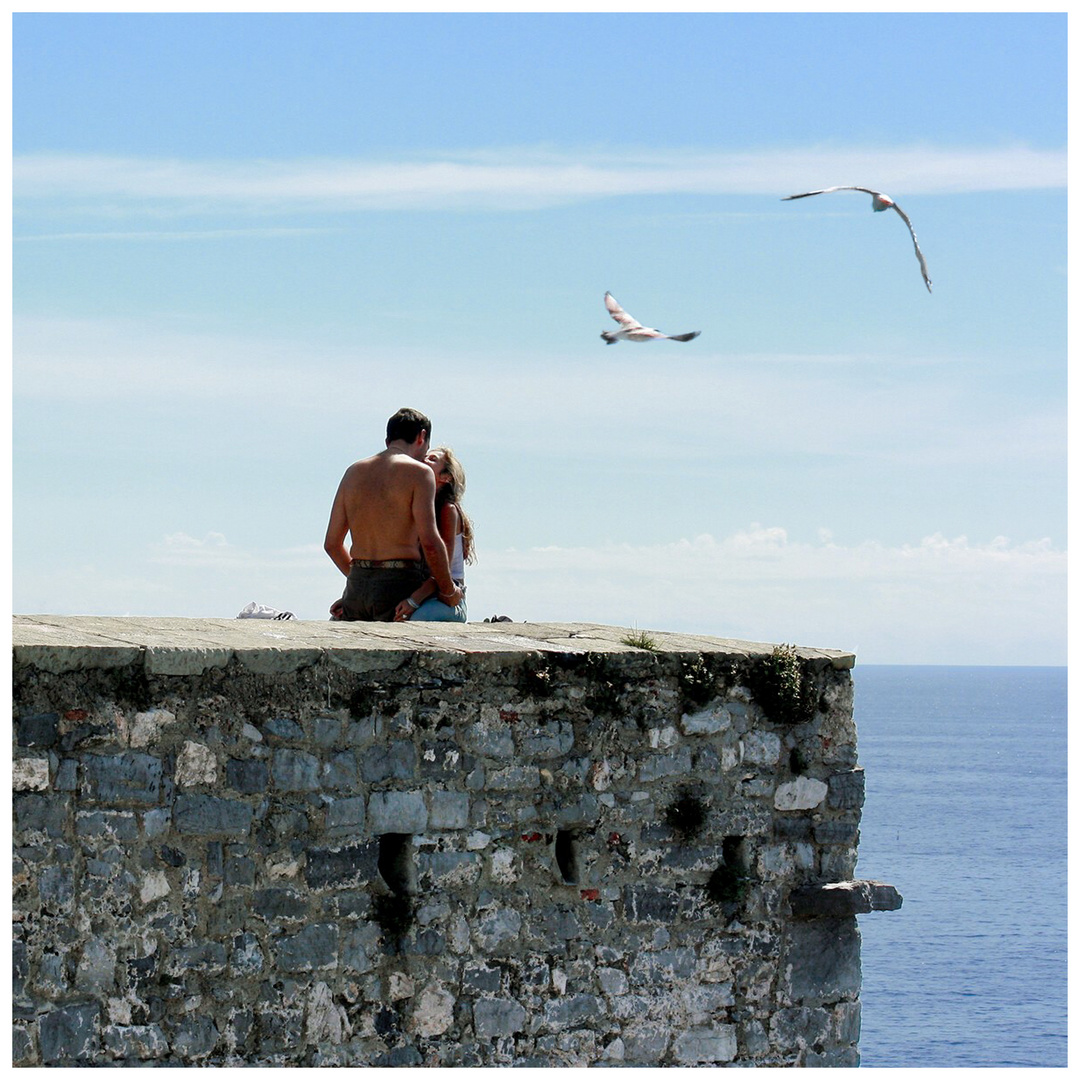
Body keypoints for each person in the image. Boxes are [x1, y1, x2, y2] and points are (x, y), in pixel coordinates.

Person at [324, 408, 463, 622]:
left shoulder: (353, 472)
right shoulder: (419, 473)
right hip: (399, 587)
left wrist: (358, 582)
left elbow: (332, 544)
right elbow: (430, 543)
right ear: (422, 436)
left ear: (388, 439)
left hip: (356, 589)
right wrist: (449, 591)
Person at [394, 446, 475, 623]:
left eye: (431, 459)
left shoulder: (448, 511)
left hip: (449, 598)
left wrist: (413, 601)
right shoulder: (419, 507)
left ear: (445, 477)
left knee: (415, 621)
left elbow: (441, 567)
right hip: (423, 593)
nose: (423, 460)